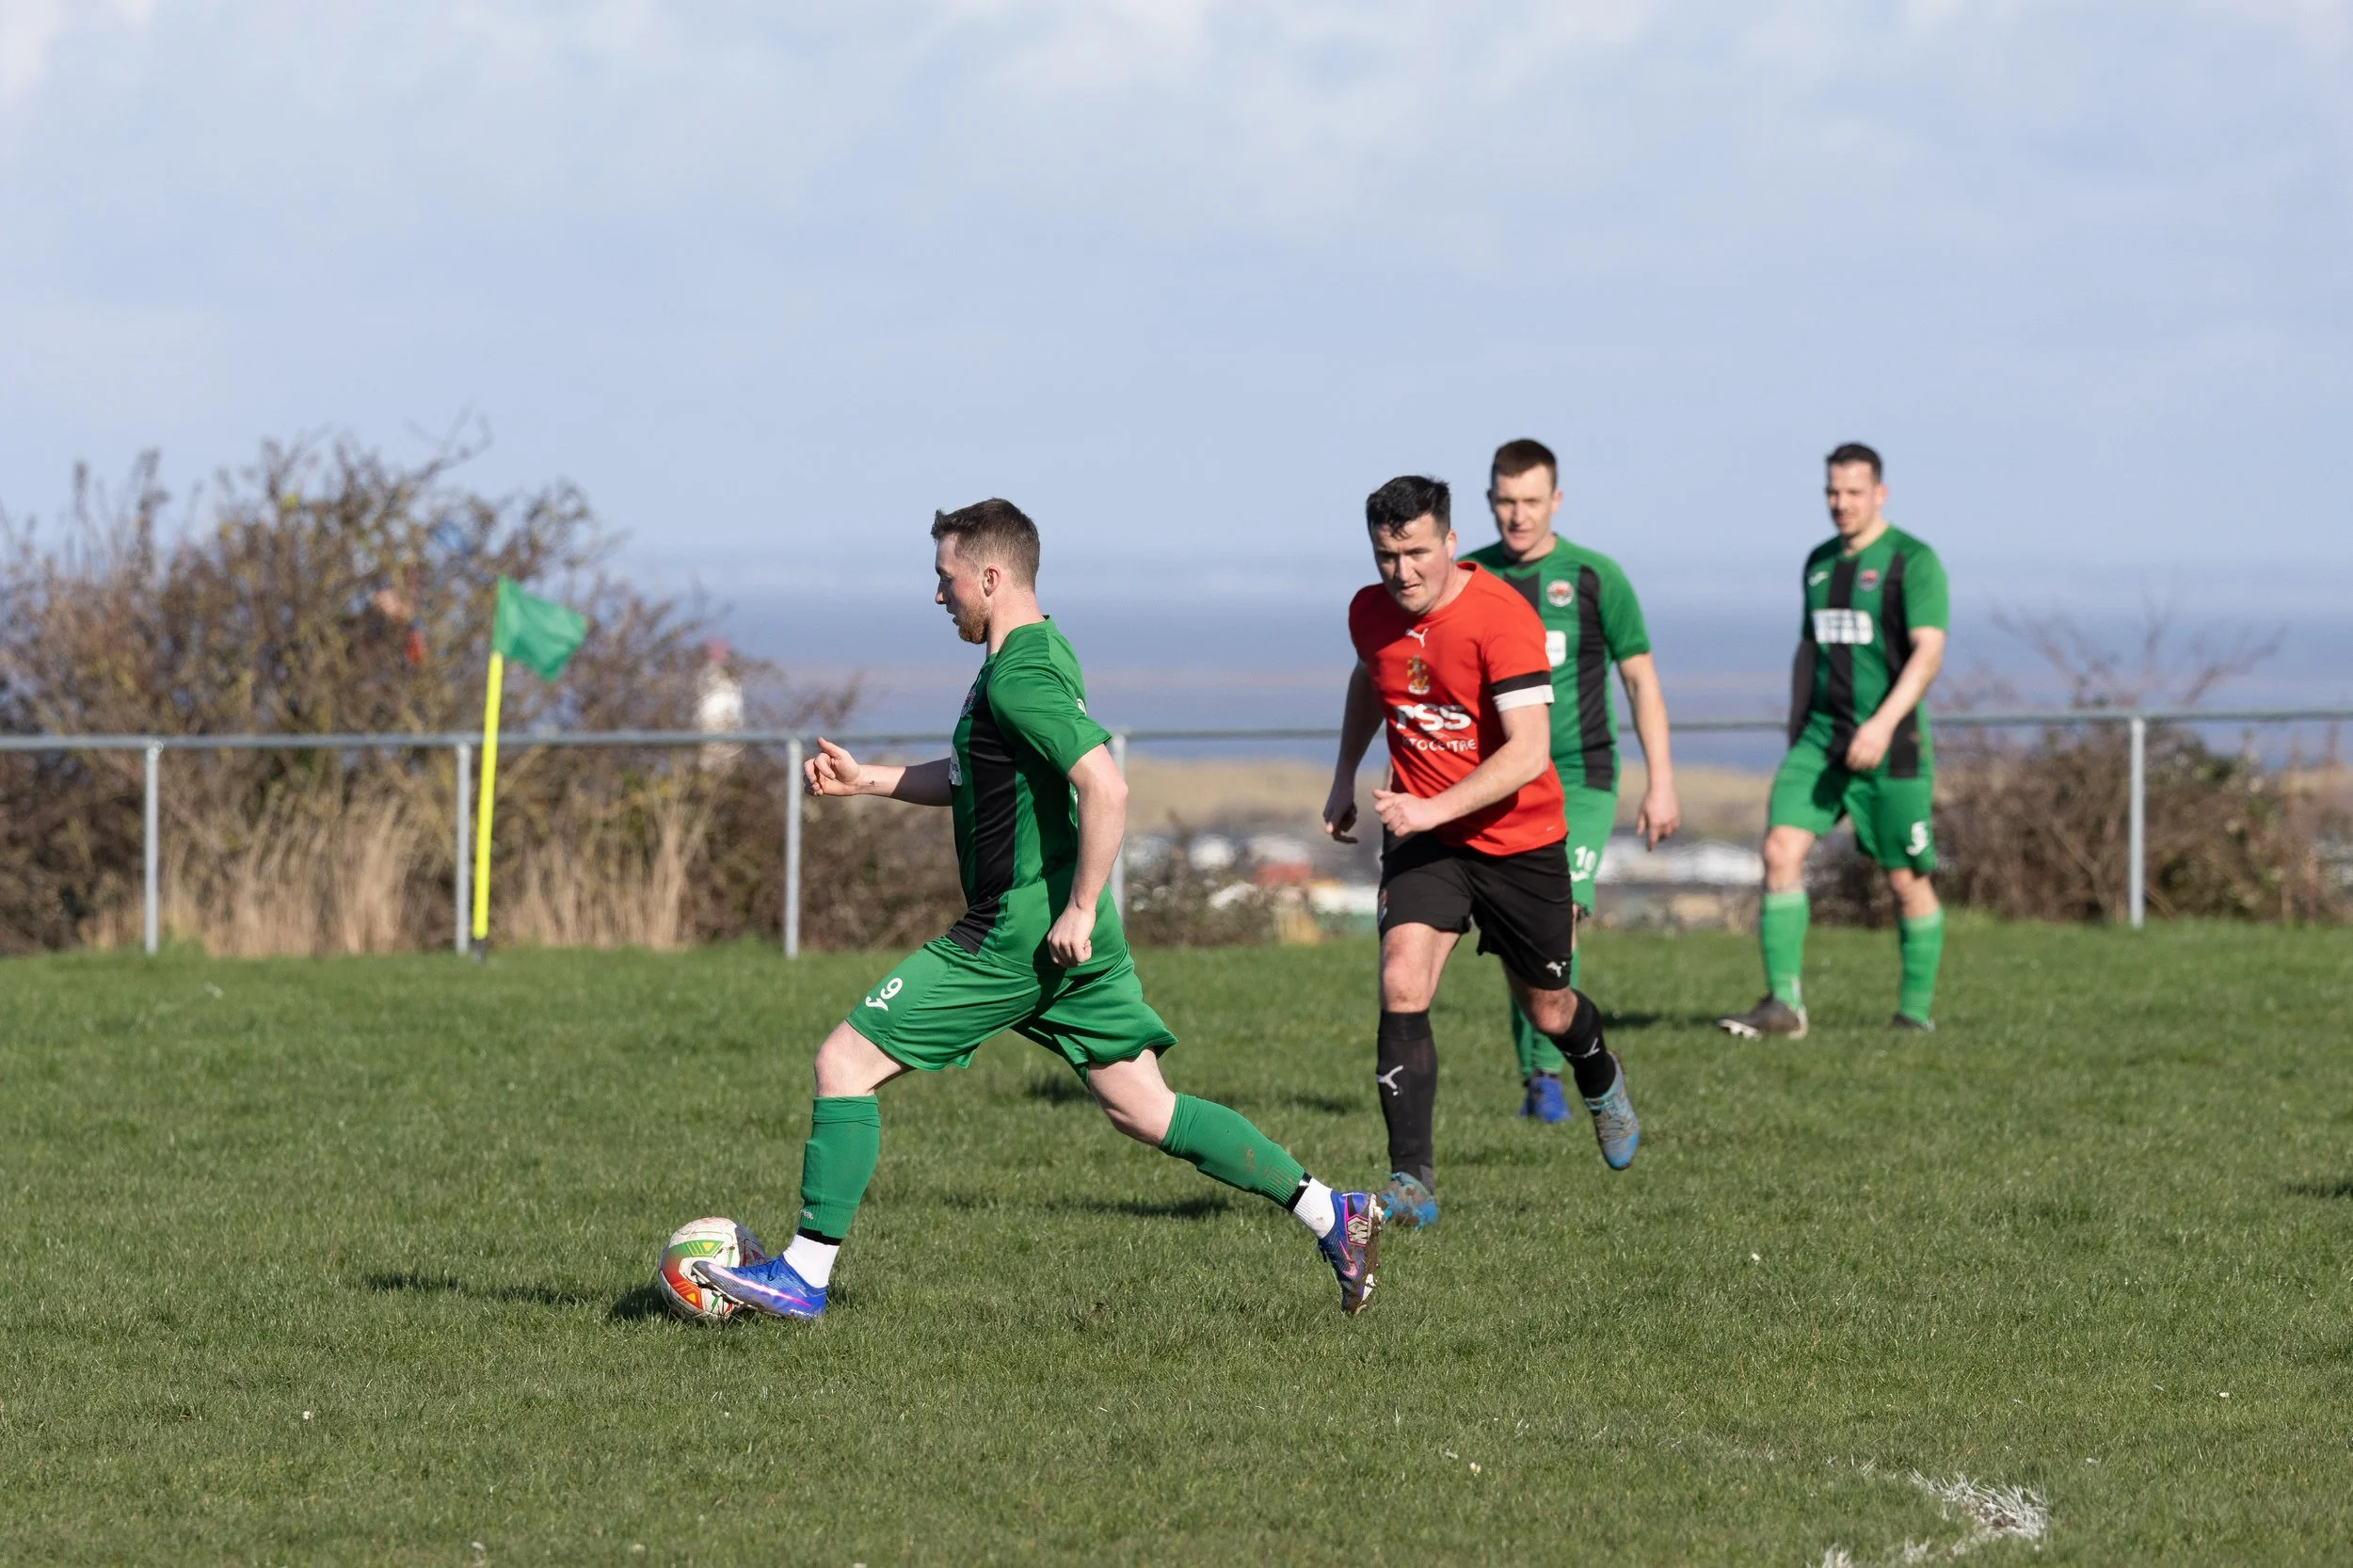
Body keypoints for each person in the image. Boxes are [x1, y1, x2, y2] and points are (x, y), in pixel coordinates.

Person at [696, 500, 1385, 1320]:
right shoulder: (1038, 652)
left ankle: (805, 1273)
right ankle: (1333, 1213)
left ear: (990, 577)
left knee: (843, 1064)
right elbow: (974, 779)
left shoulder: (1018, 674)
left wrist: (1081, 906)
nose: (940, 596)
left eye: (946, 579)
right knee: (1145, 1107)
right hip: (1064, 935)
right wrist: (867, 780)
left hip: (1021, 933)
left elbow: (1106, 784)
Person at [1321, 475, 1640, 1232]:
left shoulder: (1501, 616)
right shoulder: (1370, 612)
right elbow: (1374, 679)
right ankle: (1411, 1183)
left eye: (1417, 553)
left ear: (1451, 543)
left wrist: (1434, 803)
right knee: (1402, 981)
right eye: (1386, 555)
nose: (1402, 573)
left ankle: (1598, 1073)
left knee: (1549, 1007)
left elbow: (1529, 752)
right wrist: (1344, 774)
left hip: (1520, 844)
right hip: (1427, 842)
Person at [1463, 439, 1680, 1123]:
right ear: (1490, 500)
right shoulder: (1471, 577)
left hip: (1580, 776)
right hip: (1499, 781)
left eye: (1530, 502)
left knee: (1564, 914)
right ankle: (1537, 1074)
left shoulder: (1594, 577)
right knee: (1512, 927)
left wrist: (1661, 781)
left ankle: (1552, 1072)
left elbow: (1640, 679)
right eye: (1505, 501)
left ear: (1555, 501)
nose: (1517, 516)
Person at [1718, 443, 1948, 1038]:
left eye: (1852, 492)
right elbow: (1808, 648)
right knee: (1779, 851)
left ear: (1880, 494)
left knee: (1905, 880)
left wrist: (1881, 724)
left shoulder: (1911, 561)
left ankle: (1914, 1015)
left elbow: (1928, 652)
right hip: (1821, 741)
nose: (1840, 504)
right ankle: (1783, 1006)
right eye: (1832, 492)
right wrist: (1798, 723)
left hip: (1891, 747)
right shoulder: (1819, 563)